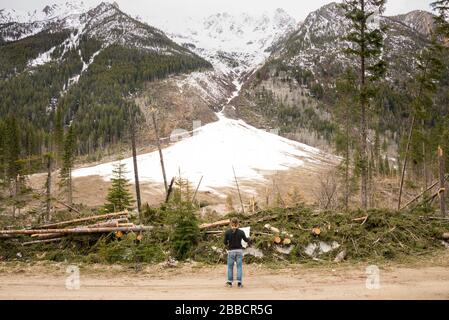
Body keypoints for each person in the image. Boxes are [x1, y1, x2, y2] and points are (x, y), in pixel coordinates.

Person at [223, 217, 251, 288]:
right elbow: (246, 240)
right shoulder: (241, 232)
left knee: (230, 267)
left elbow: (225, 242)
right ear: (238, 224)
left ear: (230, 224)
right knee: (239, 267)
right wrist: (249, 238)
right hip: (239, 251)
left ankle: (229, 283)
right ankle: (239, 283)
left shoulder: (227, 232)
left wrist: (228, 242)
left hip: (231, 251)